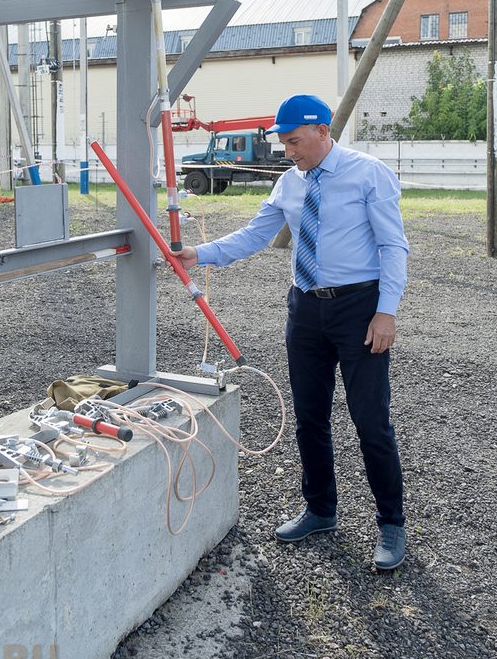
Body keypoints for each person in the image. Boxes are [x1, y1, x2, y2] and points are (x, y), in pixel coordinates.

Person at [172, 94, 409, 571]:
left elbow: (392, 244)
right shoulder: (289, 183)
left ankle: (391, 524)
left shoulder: (368, 173)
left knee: (370, 419)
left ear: (323, 130)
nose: (288, 151)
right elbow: (256, 235)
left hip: (360, 309)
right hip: (305, 310)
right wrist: (201, 253)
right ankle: (321, 510)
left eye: (295, 141)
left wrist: (386, 312)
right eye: (283, 143)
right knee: (309, 417)